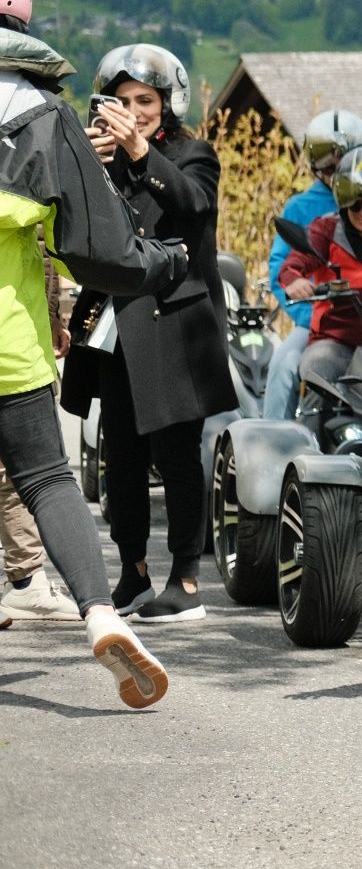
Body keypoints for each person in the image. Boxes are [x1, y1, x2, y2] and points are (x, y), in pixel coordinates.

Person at [0, 0, 182, 702]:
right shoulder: (41, 115)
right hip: (9, 345)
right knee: (47, 476)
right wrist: (165, 260)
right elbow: (98, 251)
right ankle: (102, 613)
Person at [60, 43, 236, 625]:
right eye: (123, 101)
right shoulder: (102, 157)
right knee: (121, 457)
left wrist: (139, 152)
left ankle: (185, 581)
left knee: (177, 455)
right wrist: (83, 164)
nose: (133, 112)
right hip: (118, 325)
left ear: (167, 104)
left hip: (175, 325)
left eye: (145, 101)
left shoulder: (193, 154)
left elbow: (193, 204)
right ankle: (132, 573)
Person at [278, 146, 362, 415]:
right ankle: (311, 439)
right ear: (342, 200)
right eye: (354, 203)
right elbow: (294, 263)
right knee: (316, 370)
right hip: (335, 341)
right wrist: (293, 279)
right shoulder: (325, 230)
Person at [262, 110, 362, 420]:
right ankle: (274, 437)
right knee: (283, 366)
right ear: (314, 167)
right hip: (320, 320)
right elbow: (281, 267)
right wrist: (310, 317)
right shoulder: (301, 207)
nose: (338, 174)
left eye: (347, 164)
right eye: (329, 168)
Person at [1, 253, 82, 623]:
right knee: (28, 470)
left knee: (15, 469)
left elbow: (42, 252)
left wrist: (51, 316)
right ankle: (27, 580)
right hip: (15, 336)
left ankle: (26, 581)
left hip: (20, 330)